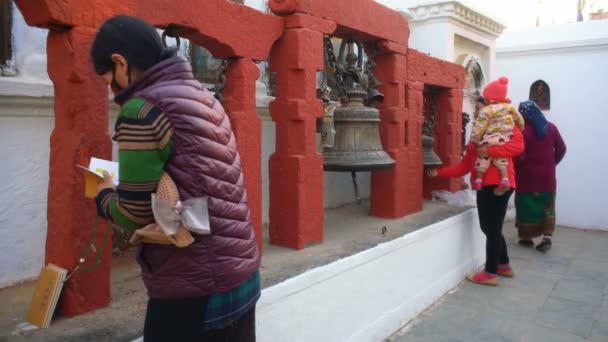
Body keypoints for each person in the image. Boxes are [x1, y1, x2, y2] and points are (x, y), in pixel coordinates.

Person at [91, 16, 260, 341]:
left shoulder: (142, 110)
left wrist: (103, 196)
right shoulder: (203, 96)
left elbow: (133, 213)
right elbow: (207, 195)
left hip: (193, 284)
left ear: (120, 63)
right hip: (241, 271)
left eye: (109, 80)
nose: (113, 90)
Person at [427, 103, 524, 287]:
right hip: (484, 186)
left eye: (481, 108)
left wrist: (489, 151)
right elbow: (464, 167)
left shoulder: (508, 126)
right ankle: (503, 265)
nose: (478, 112)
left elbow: (518, 147)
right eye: (477, 109)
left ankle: (490, 273)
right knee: (490, 228)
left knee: (491, 228)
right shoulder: (476, 138)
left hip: (499, 184)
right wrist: (439, 172)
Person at [514, 100, 566, 252]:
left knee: (525, 206)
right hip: (547, 178)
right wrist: (551, 164)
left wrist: (514, 166)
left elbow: (520, 157)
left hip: (526, 179)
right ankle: (547, 238)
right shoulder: (551, 128)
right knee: (547, 207)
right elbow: (562, 148)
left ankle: (526, 238)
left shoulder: (523, 132)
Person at [470, 77, 525, 195]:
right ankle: (501, 180)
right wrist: (521, 126)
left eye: (477, 108)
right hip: (485, 183)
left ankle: (481, 180)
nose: (475, 112)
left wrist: (481, 145)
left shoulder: (487, 112)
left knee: (483, 158)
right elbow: (519, 118)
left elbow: (518, 148)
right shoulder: (510, 111)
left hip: (494, 180)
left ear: (490, 99)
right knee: (500, 162)